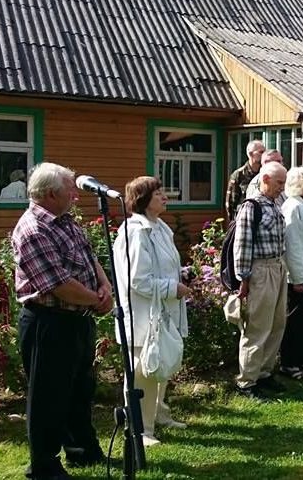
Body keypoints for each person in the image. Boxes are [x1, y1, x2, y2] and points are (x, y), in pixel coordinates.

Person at [12, 162, 113, 478]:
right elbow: (58, 285)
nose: (76, 195)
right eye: (70, 189)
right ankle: (43, 465)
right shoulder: (33, 229)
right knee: (49, 397)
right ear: (50, 193)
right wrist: (98, 300)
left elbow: (89, 256)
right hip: (49, 322)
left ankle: (82, 451)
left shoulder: (65, 221)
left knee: (80, 390)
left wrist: (105, 285)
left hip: (78, 319)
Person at [113, 176, 190, 447]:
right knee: (142, 370)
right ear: (143, 199)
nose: (165, 196)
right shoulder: (135, 231)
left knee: (160, 362)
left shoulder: (158, 227)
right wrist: (173, 288)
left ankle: (159, 414)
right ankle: (141, 430)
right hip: (142, 314)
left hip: (162, 312)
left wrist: (180, 276)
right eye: (158, 193)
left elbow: (162, 267)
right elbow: (138, 281)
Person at [233, 161, 288, 398]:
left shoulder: (275, 204)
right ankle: (246, 382)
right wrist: (243, 279)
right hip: (260, 271)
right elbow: (242, 245)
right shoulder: (251, 206)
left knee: (276, 324)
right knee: (257, 328)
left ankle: (264, 374)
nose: (282, 188)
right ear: (265, 179)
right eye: (279, 183)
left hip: (277, 266)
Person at [279, 166, 303, 381]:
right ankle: (289, 363)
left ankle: (300, 360)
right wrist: (299, 278)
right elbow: (293, 246)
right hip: (298, 278)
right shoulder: (293, 207)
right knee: (295, 322)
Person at [226, 139, 265, 221]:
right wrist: (234, 221)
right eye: (261, 152)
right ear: (251, 154)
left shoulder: (265, 173)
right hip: (244, 219)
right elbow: (230, 203)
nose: (264, 155)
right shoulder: (239, 174)